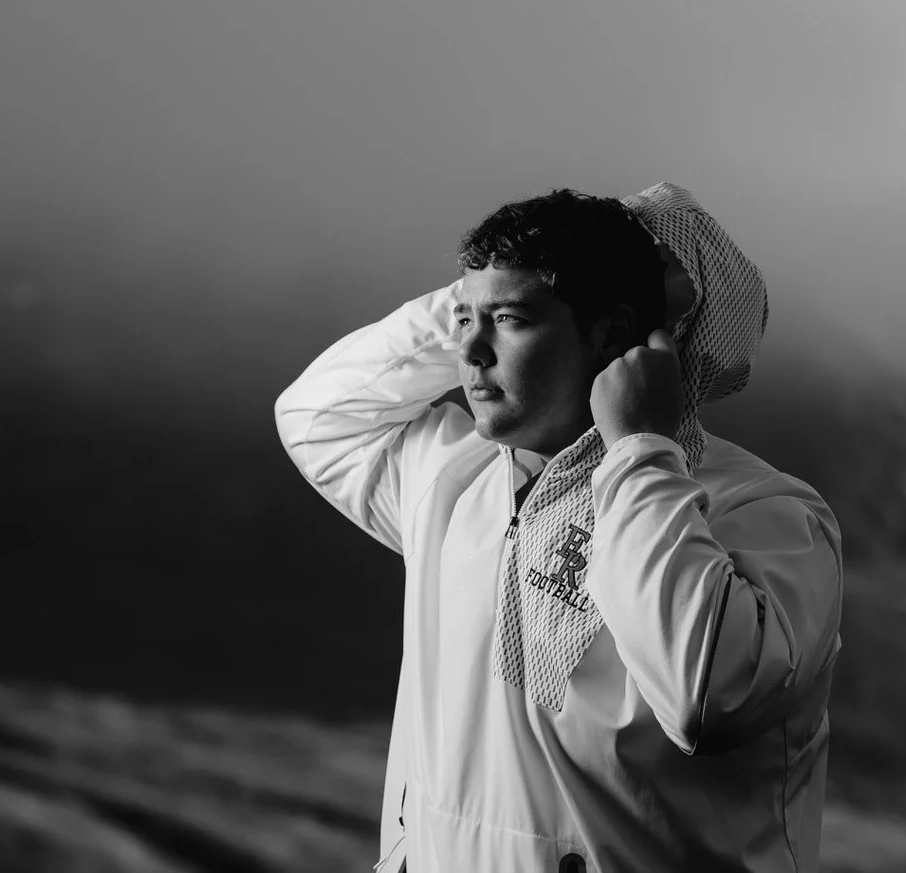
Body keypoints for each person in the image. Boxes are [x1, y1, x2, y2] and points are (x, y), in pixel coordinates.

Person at [276, 182, 842, 872]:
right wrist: (483, 296)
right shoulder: (452, 481)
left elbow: (707, 694)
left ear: (614, 334)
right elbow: (316, 414)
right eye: (463, 321)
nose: (472, 353)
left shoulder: (765, 513)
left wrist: (638, 452)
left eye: (510, 320)